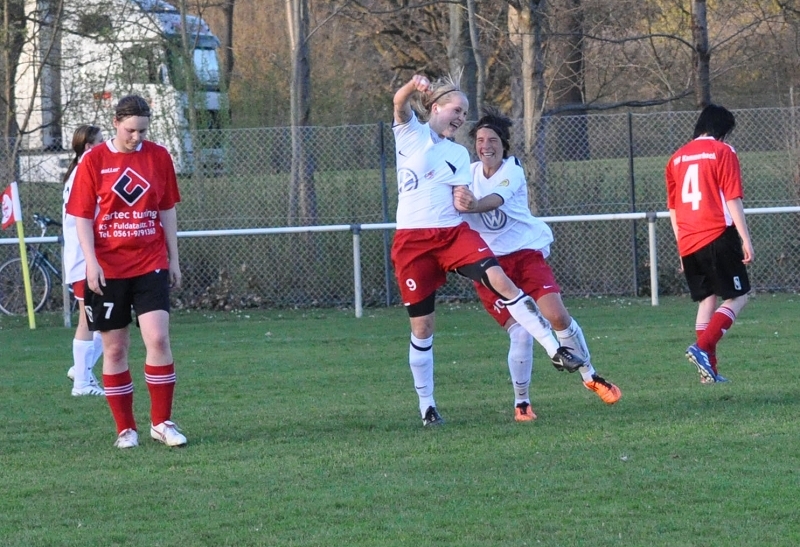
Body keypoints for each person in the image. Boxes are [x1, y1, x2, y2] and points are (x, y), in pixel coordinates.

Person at [392, 73, 584, 427]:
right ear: (436, 108)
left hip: (451, 234)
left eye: (464, 113)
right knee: (423, 328)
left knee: (499, 278)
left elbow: (461, 199)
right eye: (457, 110)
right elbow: (399, 104)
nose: (462, 118)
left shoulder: (458, 154)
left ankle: (555, 349)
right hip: (413, 242)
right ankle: (427, 406)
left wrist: (467, 201)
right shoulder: (411, 134)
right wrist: (411, 86)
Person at [453, 108, 621, 421]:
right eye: (479, 139)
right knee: (520, 334)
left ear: (504, 144)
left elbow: (494, 201)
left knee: (557, 315)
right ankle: (522, 403)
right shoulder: (466, 172)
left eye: (492, 139)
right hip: (489, 265)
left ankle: (590, 376)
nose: (485, 145)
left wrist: (473, 204)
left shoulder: (512, 170)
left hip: (525, 254)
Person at [66, 95, 186, 448]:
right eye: (131, 130)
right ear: (116, 122)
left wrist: (173, 258)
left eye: (143, 130)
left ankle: (161, 422)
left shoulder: (159, 157)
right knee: (115, 349)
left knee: (158, 338)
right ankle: (126, 429)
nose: (137, 137)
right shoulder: (94, 160)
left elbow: (167, 210)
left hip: (150, 262)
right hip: (108, 268)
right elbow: (82, 217)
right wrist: (91, 261)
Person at [665, 104, 754, 384]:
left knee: (707, 299)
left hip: (688, 239)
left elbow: (674, 209)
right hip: (716, 234)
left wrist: (681, 246)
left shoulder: (676, 158)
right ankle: (702, 347)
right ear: (720, 130)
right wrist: (745, 238)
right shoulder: (722, 151)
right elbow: (732, 198)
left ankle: (709, 373)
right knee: (739, 296)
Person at [62, 125, 106, 397]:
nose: (105, 146)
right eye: (100, 142)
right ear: (89, 147)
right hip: (85, 258)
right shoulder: (84, 172)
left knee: (108, 320)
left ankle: (82, 369)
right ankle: (82, 382)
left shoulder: (81, 170)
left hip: (90, 256)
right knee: (88, 319)